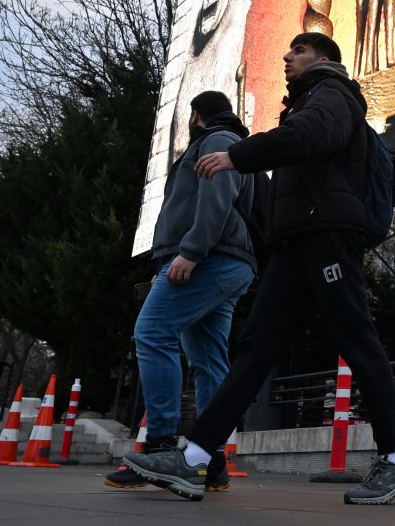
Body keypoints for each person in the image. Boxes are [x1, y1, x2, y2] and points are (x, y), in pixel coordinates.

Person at [124, 33, 395, 505]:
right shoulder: (304, 104)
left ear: (323, 58)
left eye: (297, 51)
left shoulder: (333, 94)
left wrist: (237, 156)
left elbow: (312, 137)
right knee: (255, 350)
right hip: (296, 242)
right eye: (288, 51)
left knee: (356, 339)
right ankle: (195, 458)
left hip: (327, 236)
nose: (287, 57)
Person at [105, 90, 256, 492]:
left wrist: (189, 252)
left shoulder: (217, 142)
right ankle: (211, 461)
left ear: (195, 116)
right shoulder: (234, 143)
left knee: (152, 332)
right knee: (208, 360)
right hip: (226, 261)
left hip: (210, 258)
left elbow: (216, 199)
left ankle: (159, 449)